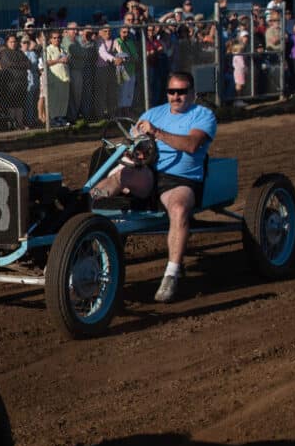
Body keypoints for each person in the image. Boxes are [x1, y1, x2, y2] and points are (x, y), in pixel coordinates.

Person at [90, 72, 217, 303]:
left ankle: (172, 273)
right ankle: (84, 211)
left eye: (182, 92)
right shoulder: (153, 113)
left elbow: (191, 145)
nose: (176, 97)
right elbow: (132, 143)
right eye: (172, 92)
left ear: (192, 93)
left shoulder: (203, 115)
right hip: (149, 172)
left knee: (178, 209)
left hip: (180, 179)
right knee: (121, 175)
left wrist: (156, 133)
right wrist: (136, 149)